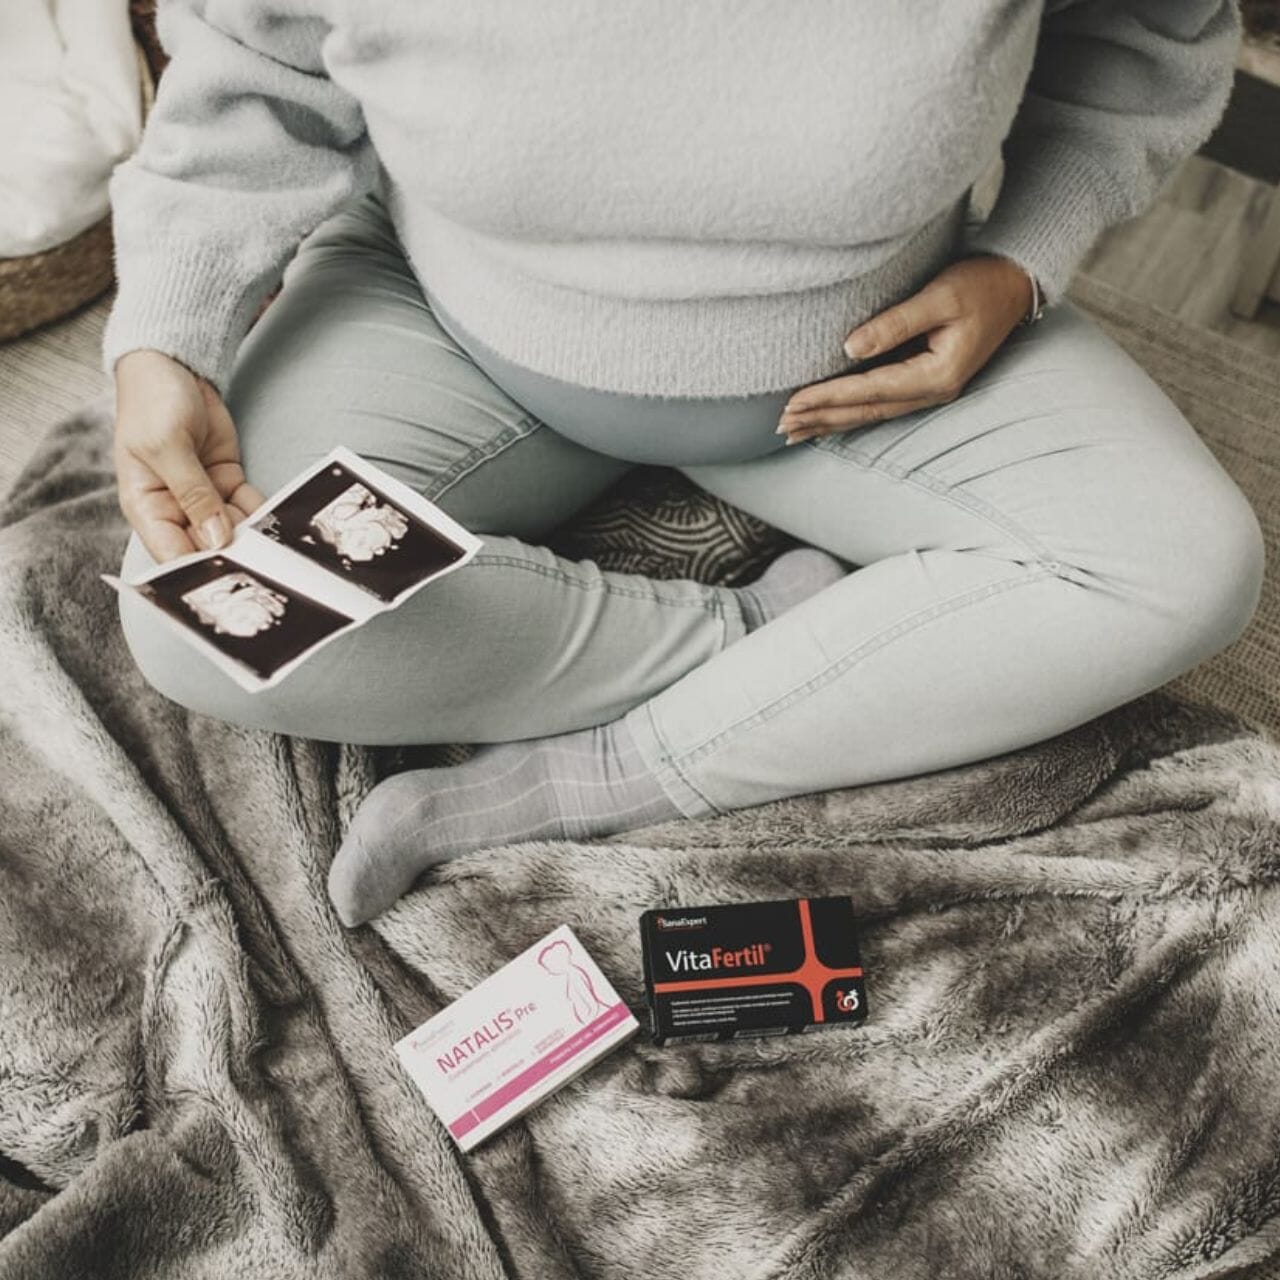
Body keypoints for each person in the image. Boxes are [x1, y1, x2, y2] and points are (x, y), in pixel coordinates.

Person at [105, 0, 1265, 928]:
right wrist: (163, 332)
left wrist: (1023, 258)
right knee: (195, 617)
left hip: (862, 367)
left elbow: (1142, 36)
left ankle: (609, 770)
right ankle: (773, 637)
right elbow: (256, 72)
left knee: (1185, 566)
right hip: (449, 328)